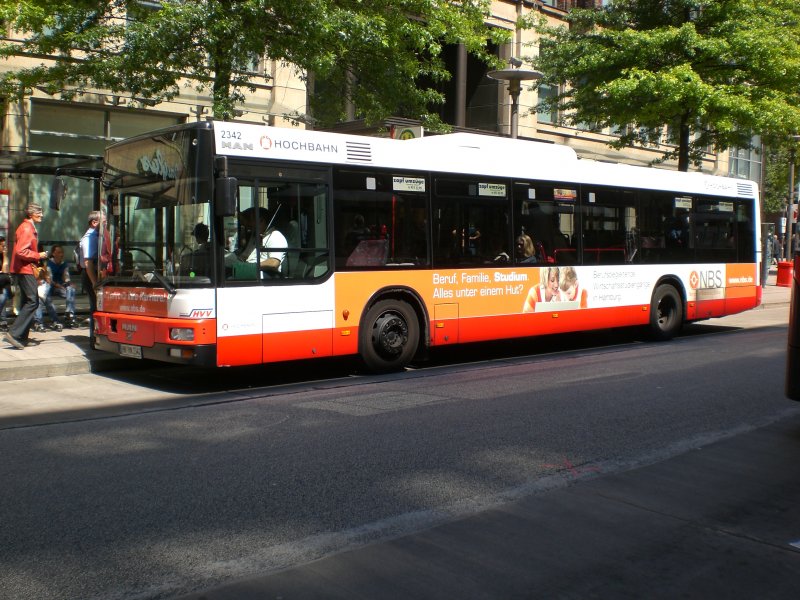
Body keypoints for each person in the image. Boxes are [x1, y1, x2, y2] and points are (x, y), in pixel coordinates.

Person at [3, 203, 49, 349]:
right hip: (25, 269)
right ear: (31, 214)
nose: (42, 215)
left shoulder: (28, 227)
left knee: (27, 302)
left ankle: (21, 337)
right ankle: (14, 334)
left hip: (24, 269)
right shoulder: (27, 228)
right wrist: (38, 254)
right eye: (39, 212)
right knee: (33, 301)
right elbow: (21, 252)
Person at [34, 244, 77, 330]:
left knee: (71, 289)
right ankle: (39, 322)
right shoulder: (49, 263)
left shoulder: (64, 264)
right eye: (59, 252)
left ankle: (69, 314)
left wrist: (68, 283)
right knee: (43, 299)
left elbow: (66, 276)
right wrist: (60, 286)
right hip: (50, 286)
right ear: (53, 254)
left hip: (59, 287)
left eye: (62, 252)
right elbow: (49, 279)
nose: (61, 254)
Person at [235, 206, 287, 276]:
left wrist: (249, 267)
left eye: (250, 225)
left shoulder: (275, 236)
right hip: (250, 270)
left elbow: (274, 263)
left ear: (261, 221)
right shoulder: (256, 236)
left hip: (265, 275)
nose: (249, 229)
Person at [79, 210, 100, 341]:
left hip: (92, 274)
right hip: (90, 275)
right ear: (94, 222)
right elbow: (88, 262)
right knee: (95, 306)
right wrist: (95, 282)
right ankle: (94, 338)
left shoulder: (96, 235)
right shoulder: (90, 237)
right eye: (103, 221)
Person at [0, 235, 12, 330]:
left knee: (3, 294)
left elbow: (6, 271)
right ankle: (2, 320)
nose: (4, 248)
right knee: (3, 295)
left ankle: (3, 321)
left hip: (2, 284)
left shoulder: (2, 256)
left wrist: (5, 256)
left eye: (5, 246)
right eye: (2, 246)